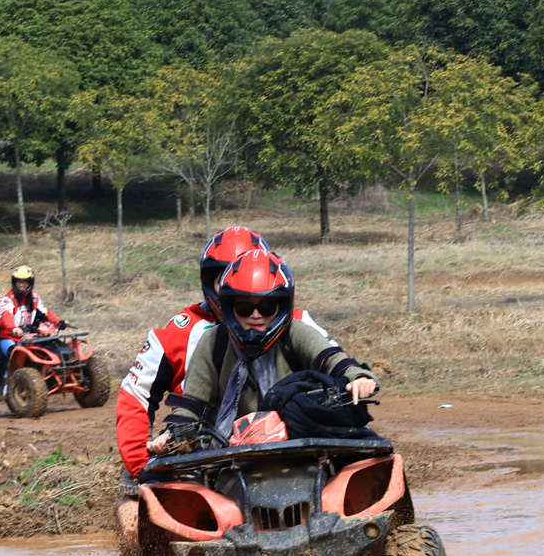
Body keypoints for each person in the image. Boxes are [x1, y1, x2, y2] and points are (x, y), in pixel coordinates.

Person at [114, 227, 267, 539]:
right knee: (135, 518)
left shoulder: (293, 321)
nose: (235, 287)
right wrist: (141, 464)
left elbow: (334, 367)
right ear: (208, 282)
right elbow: (134, 395)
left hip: (278, 447)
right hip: (195, 453)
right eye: (224, 278)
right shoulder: (177, 333)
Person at [149, 250, 374, 455]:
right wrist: (173, 434)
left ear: (282, 306)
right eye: (244, 308)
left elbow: (332, 359)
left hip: (301, 446)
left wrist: (358, 377)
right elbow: (192, 404)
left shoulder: (296, 332)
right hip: (226, 454)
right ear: (229, 308)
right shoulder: (213, 342)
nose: (255, 315)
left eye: (266, 307)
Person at [0, 265, 62, 337]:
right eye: (18, 282)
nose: (21, 285)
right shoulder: (8, 299)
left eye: (24, 282)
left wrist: (59, 322)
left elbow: (45, 313)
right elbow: (6, 315)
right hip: (10, 336)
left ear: (30, 283)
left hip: (29, 336)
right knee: (11, 347)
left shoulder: (35, 297)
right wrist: (13, 328)